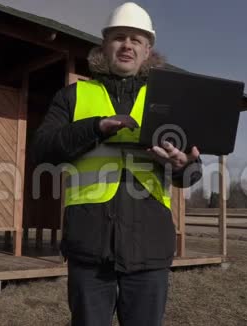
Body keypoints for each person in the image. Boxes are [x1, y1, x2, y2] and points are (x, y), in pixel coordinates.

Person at [31, 2, 203, 325]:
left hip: (149, 253)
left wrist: (181, 165)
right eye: (119, 37)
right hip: (88, 250)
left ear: (147, 49)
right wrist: (95, 128)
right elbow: (42, 148)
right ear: (105, 44)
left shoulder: (168, 98)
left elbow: (192, 172)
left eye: (136, 39)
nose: (127, 45)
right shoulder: (72, 96)